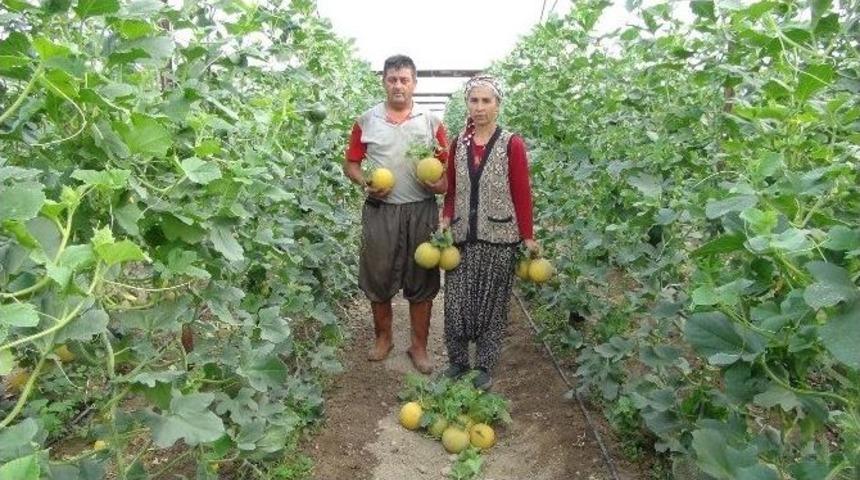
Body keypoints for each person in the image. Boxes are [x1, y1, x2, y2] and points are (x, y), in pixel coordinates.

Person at [342, 55, 448, 374]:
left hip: (421, 210)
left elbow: (446, 174)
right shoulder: (366, 120)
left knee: (422, 277)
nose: (398, 85)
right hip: (381, 211)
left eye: (404, 79)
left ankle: (419, 347)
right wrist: (365, 183)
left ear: (414, 83)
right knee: (378, 276)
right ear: (384, 82)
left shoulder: (431, 122)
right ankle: (383, 338)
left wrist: (438, 185)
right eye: (392, 79)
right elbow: (351, 164)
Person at [439, 75, 539, 390]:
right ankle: (457, 361)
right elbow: (452, 191)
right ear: (467, 104)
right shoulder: (458, 143)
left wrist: (527, 235)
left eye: (486, 101)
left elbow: (522, 192)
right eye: (474, 100)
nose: (479, 107)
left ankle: (484, 365)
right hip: (461, 237)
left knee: (492, 305)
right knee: (455, 302)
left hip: (500, 237)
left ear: (497, 104)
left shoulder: (512, 143)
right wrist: (445, 217)